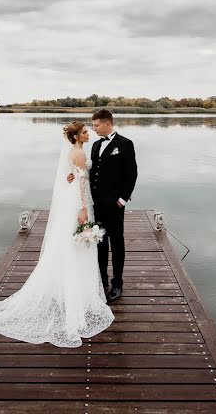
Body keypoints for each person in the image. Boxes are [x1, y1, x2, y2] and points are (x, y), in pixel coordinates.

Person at [0, 121, 114, 347]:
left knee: (69, 245)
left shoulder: (75, 151)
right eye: (84, 132)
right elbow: (82, 182)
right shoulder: (79, 153)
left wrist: (74, 178)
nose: (88, 133)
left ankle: (71, 290)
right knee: (77, 247)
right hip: (78, 202)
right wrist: (83, 208)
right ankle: (75, 296)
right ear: (76, 137)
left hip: (71, 199)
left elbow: (75, 176)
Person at [67, 109, 138, 302]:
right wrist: (74, 175)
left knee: (116, 243)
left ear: (108, 123)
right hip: (95, 203)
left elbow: (132, 175)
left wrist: (122, 200)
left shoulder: (125, 144)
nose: (94, 129)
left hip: (114, 205)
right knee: (99, 243)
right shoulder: (96, 145)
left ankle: (117, 284)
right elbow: (91, 172)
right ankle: (102, 280)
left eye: (96, 125)